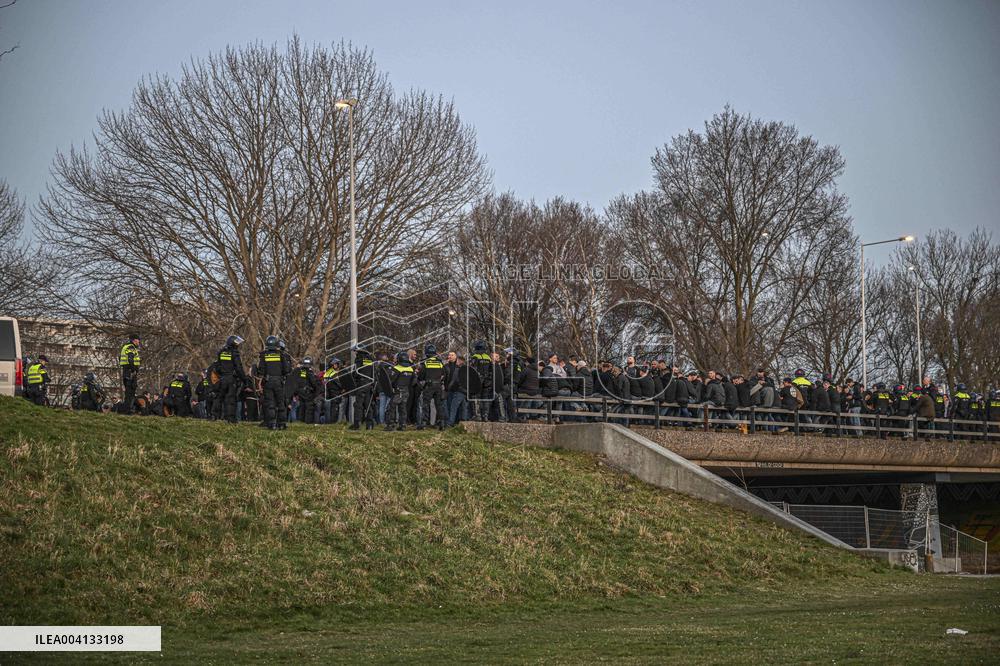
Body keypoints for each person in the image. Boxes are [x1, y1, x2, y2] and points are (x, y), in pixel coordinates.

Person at [257, 335, 292, 430]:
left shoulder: (264, 355)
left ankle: (271, 424)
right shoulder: (281, 354)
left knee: (270, 403)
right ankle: (282, 424)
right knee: (281, 403)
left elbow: (261, 370)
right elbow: (287, 369)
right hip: (279, 382)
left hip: (268, 382)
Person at [215, 335, 249, 424]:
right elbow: (238, 368)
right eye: (237, 343)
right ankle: (231, 419)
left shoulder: (221, 352)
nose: (238, 345)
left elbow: (217, 366)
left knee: (219, 397)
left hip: (222, 378)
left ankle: (214, 416)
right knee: (231, 399)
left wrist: (221, 373)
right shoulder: (234, 353)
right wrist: (244, 379)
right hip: (231, 378)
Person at [417, 344, 446, 430]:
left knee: (425, 404)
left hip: (429, 385)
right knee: (439, 405)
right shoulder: (440, 362)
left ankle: (424, 423)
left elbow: (421, 375)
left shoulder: (425, 362)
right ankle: (442, 423)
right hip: (438, 386)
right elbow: (444, 374)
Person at [385, 350, 415, 431]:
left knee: (391, 407)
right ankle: (403, 425)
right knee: (403, 409)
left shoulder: (397, 368)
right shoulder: (410, 369)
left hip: (398, 391)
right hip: (406, 391)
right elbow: (414, 381)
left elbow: (391, 380)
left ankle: (391, 425)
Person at [349, 344, 377, 430]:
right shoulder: (371, 359)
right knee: (368, 404)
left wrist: (352, 377)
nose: (355, 353)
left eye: (356, 351)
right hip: (369, 384)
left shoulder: (359, 358)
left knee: (358, 405)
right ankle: (370, 425)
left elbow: (357, 372)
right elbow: (374, 372)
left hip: (361, 383)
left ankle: (356, 424)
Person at [469, 340, 493, 421]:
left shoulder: (475, 357)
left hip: (478, 380)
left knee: (476, 397)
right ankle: (485, 416)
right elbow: (491, 370)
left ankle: (477, 415)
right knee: (485, 398)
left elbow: (472, 370)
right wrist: (489, 380)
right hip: (487, 381)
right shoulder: (488, 358)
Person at [293, 357, 320, 424]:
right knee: (309, 408)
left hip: (300, 392)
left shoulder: (300, 371)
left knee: (301, 407)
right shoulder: (309, 372)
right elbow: (314, 383)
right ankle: (307, 422)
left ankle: (300, 421)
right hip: (308, 392)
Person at [119, 334, 141, 414]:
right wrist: (133, 370)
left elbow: (120, 358)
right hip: (130, 372)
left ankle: (128, 410)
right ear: (134, 340)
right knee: (130, 392)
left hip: (126, 371)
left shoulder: (125, 347)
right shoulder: (131, 347)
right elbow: (130, 359)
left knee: (129, 392)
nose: (139, 342)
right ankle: (127, 410)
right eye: (138, 340)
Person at [323, 357, 344, 424]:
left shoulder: (328, 372)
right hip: (334, 392)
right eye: (336, 364)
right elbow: (338, 383)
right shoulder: (333, 373)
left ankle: (330, 422)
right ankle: (332, 422)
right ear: (332, 365)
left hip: (329, 393)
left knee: (330, 408)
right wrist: (343, 388)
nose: (337, 366)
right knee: (334, 409)